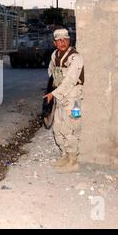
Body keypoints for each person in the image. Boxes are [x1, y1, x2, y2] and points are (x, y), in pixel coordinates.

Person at [44, 29, 85, 173]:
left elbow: (71, 81)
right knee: (58, 129)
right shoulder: (55, 55)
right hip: (60, 97)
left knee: (71, 128)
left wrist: (53, 94)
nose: (62, 43)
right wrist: (53, 88)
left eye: (65, 40)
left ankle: (73, 160)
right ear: (55, 43)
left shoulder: (75, 57)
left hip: (74, 98)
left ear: (69, 40)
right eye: (59, 40)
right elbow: (51, 72)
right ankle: (65, 155)